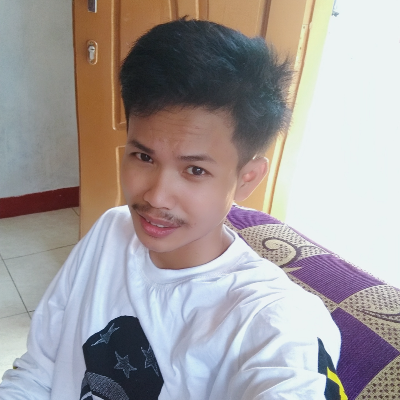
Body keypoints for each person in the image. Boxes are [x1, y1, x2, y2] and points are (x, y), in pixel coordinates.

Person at [0, 18, 345, 400]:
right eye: (143, 156)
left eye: (195, 170)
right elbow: (37, 372)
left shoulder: (274, 322)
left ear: (247, 179)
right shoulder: (111, 231)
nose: (157, 197)